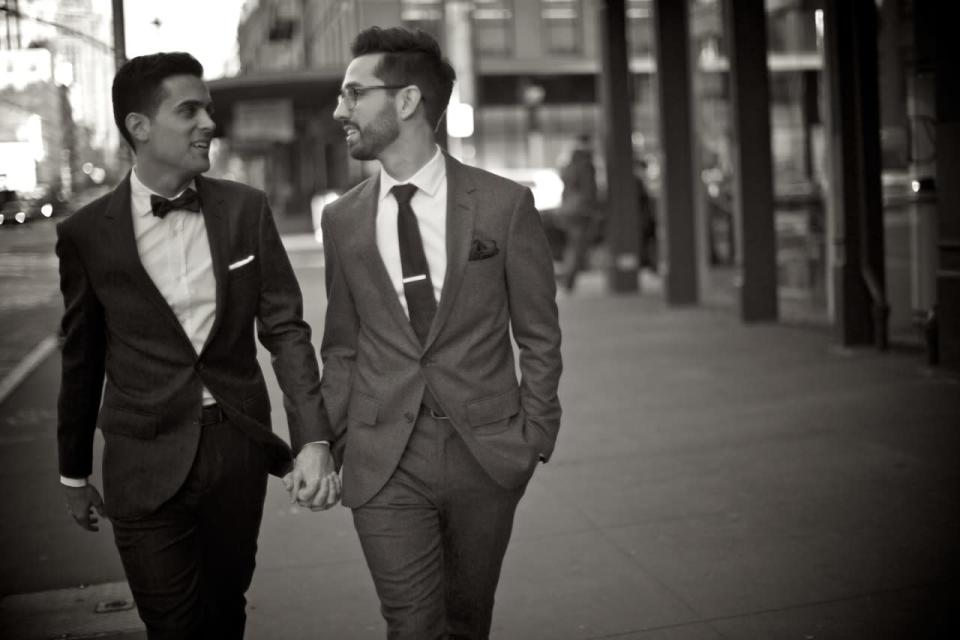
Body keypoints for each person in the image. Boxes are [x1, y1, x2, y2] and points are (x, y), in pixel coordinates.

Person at [55, 51, 339, 640]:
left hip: (236, 450)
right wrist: (73, 473)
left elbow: (285, 330)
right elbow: (82, 358)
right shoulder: (85, 235)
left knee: (225, 608)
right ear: (139, 126)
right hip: (143, 461)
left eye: (209, 109)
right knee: (176, 627)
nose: (208, 122)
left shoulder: (245, 210)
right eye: (189, 110)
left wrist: (313, 438)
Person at [311, 26, 563, 638]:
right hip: (383, 458)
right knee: (414, 624)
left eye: (354, 93)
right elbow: (342, 345)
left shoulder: (503, 205)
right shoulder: (342, 219)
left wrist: (534, 434)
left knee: (468, 620)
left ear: (406, 101)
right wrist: (326, 440)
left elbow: (539, 333)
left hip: (486, 450)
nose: (339, 109)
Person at [558, 134, 599, 291]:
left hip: (568, 209)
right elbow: (589, 190)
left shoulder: (570, 163)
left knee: (573, 244)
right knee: (577, 245)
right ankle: (568, 278)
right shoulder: (586, 164)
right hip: (580, 210)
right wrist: (592, 208)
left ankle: (568, 277)